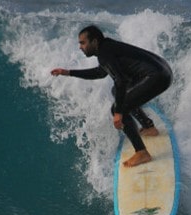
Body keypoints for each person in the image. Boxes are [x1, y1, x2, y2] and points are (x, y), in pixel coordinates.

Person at [51, 25, 172, 167]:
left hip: (156, 76)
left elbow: (121, 80)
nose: (80, 47)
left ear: (94, 41)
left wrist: (119, 112)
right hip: (163, 71)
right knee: (116, 92)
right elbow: (100, 73)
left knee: (118, 107)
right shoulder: (107, 48)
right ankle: (148, 127)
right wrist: (68, 72)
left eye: (83, 43)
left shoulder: (104, 53)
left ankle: (141, 152)